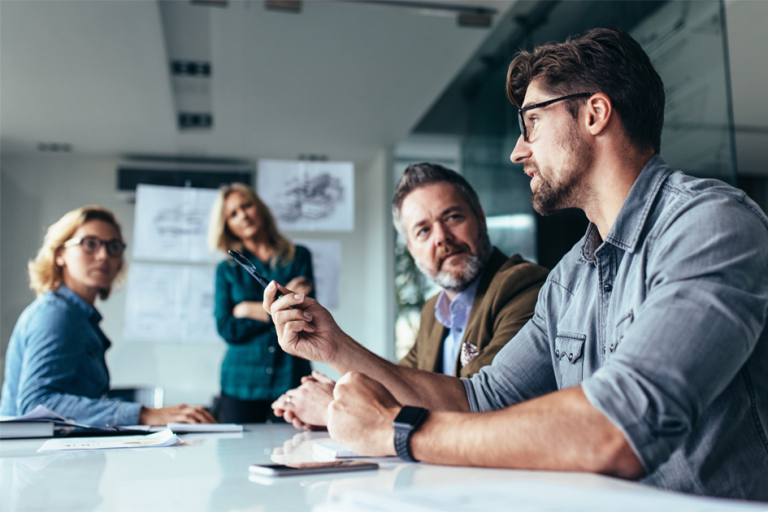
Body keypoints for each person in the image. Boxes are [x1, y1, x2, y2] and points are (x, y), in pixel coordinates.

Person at [264, 27, 768, 502]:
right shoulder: (571, 277)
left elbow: (617, 428)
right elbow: (478, 399)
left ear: (595, 114)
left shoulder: (710, 224)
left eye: (532, 123)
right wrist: (334, 345)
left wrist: (398, 431)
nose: (516, 151)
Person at [271, 163, 548, 429]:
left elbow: (478, 406)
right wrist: (339, 393)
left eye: (452, 217)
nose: (441, 237)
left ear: (480, 218)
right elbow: (398, 387)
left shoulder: (524, 287)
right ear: (412, 249)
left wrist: (334, 406)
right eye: (423, 230)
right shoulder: (433, 312)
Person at [0, 206, 216, 426]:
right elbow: (37, 404)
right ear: (60, 254)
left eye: (113, 247)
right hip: (33, 458)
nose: (104, 255)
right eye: (90, 244)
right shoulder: (56, 313)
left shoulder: (81, 318)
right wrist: (144, 414)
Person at [209, 183, 314, 423]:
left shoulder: (299, 257)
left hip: (290, 377)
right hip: (241, 382)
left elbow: (303, 315)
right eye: (233, 214)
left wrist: (245, 309)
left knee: (294, 452)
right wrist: (279, 309)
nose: (243, 215)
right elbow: (227, 327)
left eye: (247, 206)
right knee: (237, 457)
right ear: (227, 226)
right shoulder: (227, 270)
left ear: (260, 209)